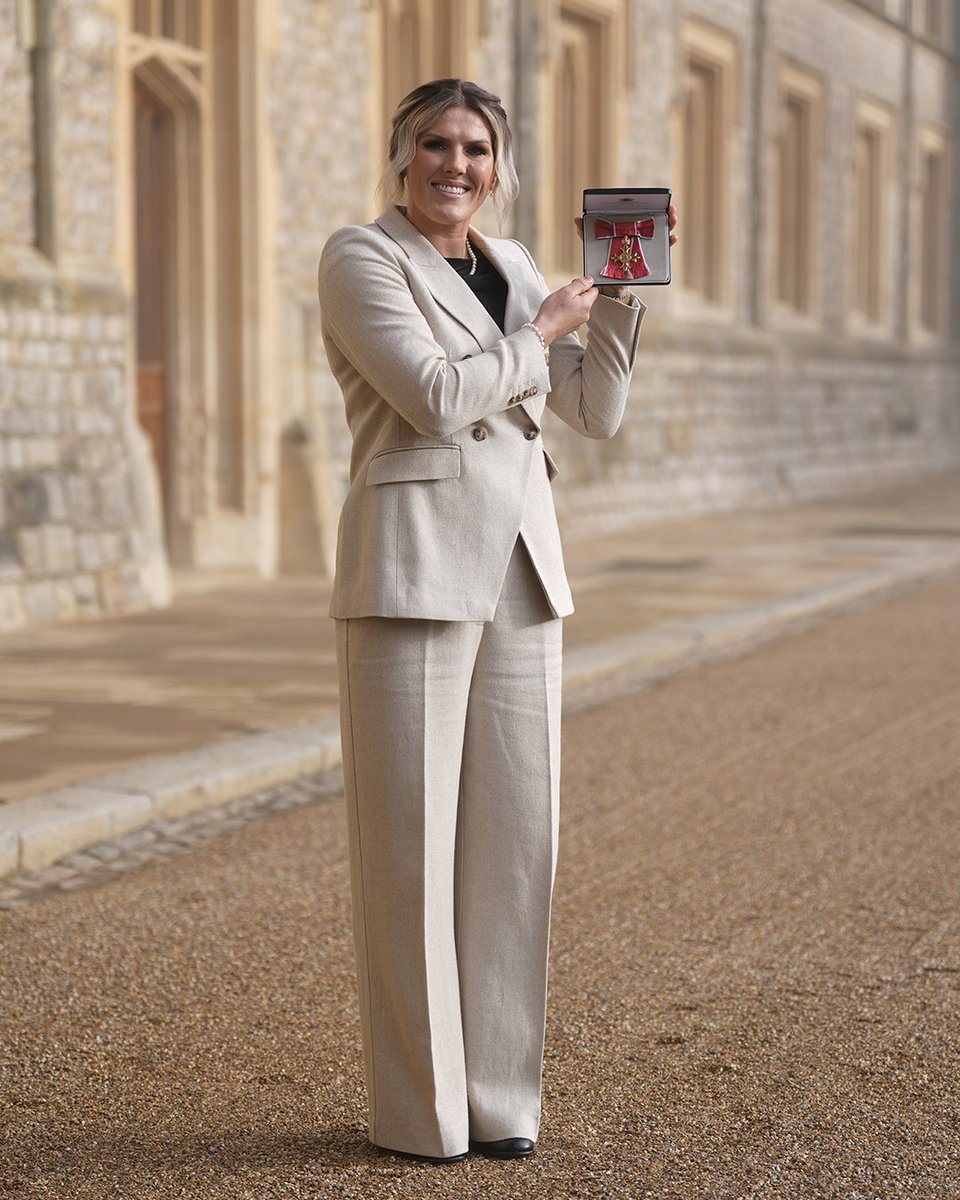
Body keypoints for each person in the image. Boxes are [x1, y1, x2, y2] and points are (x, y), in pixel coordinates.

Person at [317, 78, 677, 1165]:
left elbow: (593, 413)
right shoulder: (360, 258)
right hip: (412, 568)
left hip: (523, 572)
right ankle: (420, 1115)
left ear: (499, 165)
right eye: (436, 143)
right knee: (409, 852)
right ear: (401, 156)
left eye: (477, 147)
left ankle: (501, 1100)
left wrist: (615, 301)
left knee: (519, 847)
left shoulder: (519, 266)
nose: (456, 164)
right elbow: (430, 393)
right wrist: (547, 332)